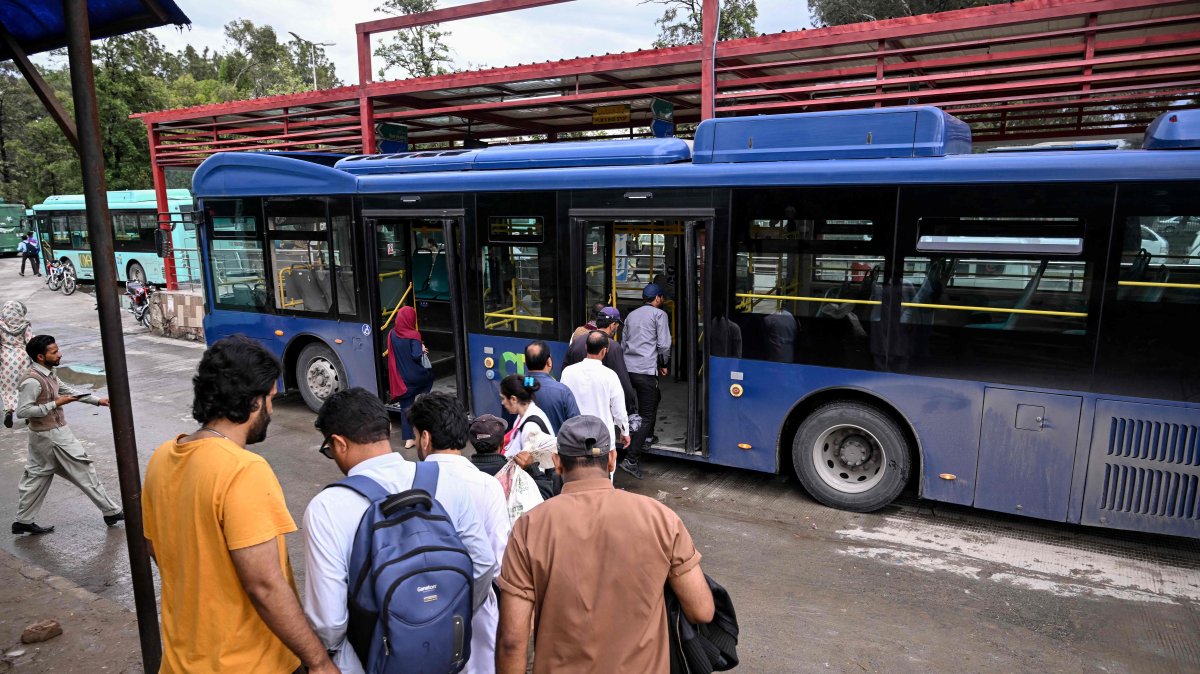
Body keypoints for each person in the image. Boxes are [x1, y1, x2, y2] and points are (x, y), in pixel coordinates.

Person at [142, 336, 336, 674]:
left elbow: (155, 548)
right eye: (271, 400)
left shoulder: (162, 458)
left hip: (180, 661)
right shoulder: (243, 471)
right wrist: (318, 662)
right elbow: (264, 585)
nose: (272, 411)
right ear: (253, 402)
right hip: (249, 663)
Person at [495, 415, 714, 674]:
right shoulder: (661, 518)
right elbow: (702, 610)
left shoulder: (529, 527)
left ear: (557, 462)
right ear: (612, 459)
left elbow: (512, 640)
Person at [304, 388, 496, 674]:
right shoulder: (447, 482)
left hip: (368, 664)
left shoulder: (326, 508)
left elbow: (329, 623)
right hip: (447, 659)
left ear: (339, 444)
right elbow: (483, 564)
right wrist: (444, 617)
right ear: (386, 428)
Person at [412, 392, 511, 674]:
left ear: (426, 439)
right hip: (478, 616)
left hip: (419, 611)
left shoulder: (407, 483)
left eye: (417, 435)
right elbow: (498, 562)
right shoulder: (487, 486)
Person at [12, 335, 122, 535]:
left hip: (42, 436)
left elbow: (68, 391)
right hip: (53, 435)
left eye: (57, 349)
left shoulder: (49, 373)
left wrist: (98, 401)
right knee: (83, 469)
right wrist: (55, 404)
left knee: (38, 476)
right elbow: (22, 411)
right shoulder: (33, 381)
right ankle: (111, 511)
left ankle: (23, 520)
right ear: (40, 357)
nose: (59, 354)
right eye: (53, 352)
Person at [621, 283, 672, 479]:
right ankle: (631, 459)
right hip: (645, 371)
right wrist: (664, 363)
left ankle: (647, 436)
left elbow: (624, 342)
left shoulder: (631, 315)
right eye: (662, 298)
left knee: (653, 398)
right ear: (657, 298)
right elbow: (664, 344)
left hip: (628, 370)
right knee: (647, 414)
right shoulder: (659, 315)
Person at [560, 331, 629, 454]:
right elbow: (619, 411)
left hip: (574, 438)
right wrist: (625, 432)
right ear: (604, 351)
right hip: (602, 440)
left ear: (586, 347)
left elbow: (562, 404)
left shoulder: (567, 372)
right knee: (602, 472)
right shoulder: (610, 376)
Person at [564, 307, 637, 421]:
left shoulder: (578, 341)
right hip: (600, 413)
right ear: (612, 325)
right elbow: (623, 382)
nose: (617, 328)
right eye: (617, 325)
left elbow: (565, 368)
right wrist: (631, 409)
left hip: (576, 411)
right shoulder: (612, 347)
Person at [386, 305, 433, 449]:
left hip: (402, 380)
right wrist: (422, 349)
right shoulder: (414, 335)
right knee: (429, 378)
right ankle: (424, 404)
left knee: (405, 407)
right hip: (417, 378)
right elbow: (416, 355)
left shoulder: (392, 334)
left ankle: (409, 439)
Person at [522, 341, 579, 433]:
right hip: (556, 446)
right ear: (549, 361)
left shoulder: (514, 388)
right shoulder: (562, 391)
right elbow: (576, 426)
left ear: (526, 362)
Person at [498, 374, 553, 460]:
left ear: (513, 399)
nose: (502, 403)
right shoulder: (523, 416)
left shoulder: (531, 427)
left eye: (503, 398)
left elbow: (535, 466)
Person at [0, 301, 32, 428]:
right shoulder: (25, 324)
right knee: (26, 387)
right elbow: (29, 342)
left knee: (8, 388)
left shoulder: (0, 325)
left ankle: (9, 410)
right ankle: (29, 416)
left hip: (6, 359)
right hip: (23, 357)